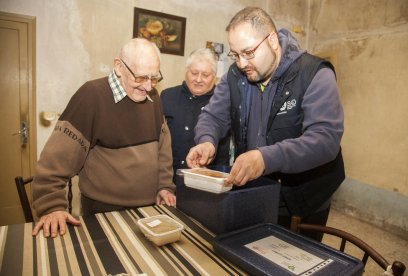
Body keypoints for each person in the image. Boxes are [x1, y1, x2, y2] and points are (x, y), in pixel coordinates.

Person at [186, 7, 345, 241]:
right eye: (235, 54)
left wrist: (264, 158)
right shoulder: (236, 75)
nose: (241, 63)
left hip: (303, 198)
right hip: (256, 191)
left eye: (248, 53)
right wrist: (207, 141)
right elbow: (213, 116)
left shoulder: (314, 74)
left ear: (272, 40)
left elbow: (325, 140)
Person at [32, 38, 176, 238]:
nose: (148, 86)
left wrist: (165, 186)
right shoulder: (91, 96)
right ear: (118, 66)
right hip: (103, 211)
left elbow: (163, 149)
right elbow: (54, 162)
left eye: (154, 78)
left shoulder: (153, 97)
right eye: (141, 77)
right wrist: (51, 206)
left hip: (150, 210)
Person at [161, 48, 230, 182]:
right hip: (169, 179)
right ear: (186, 72)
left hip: (209, 181)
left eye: (205, 75)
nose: (198, 79)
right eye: (194, 73)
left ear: (214, 77)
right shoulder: (167, 96)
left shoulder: (223, 102)